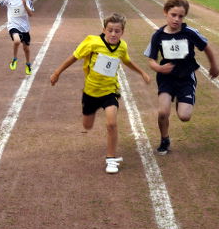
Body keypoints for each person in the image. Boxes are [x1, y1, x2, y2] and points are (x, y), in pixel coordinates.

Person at [50, 13, 150, 174]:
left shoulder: (122, 46)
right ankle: (91, 113)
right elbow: (74, 57)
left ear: (122, 32)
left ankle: (111, 159)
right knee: (87, 125)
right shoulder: (93, 42)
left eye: (117, 31)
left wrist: (142, 73)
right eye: (110, 30)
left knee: (111, 123)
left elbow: (127, 61)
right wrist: (57, 72)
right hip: (91, 92)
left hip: (110, 91)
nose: (113, 34)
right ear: (104, 29)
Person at [144, 0, 219, 155]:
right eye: (173, 15)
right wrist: (159, 68)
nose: (176, 19)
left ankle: (183, 98)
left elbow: (206, 47)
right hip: (166, 78)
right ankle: (164, 139)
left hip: (185, 77)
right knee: (163, 112)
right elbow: (151, 60)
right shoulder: (158, 35)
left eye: (180, 16)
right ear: (166, 13)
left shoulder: (189, 33)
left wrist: (213, 65)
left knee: (184, 116)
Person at [0, 0, 35, 75]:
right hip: (12, 26)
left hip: (24, 27)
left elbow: (31, 14)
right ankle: (14, 59)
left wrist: (25, 6)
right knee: (17, 41)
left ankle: (28, 64)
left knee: (26, 49)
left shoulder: (26, 0)